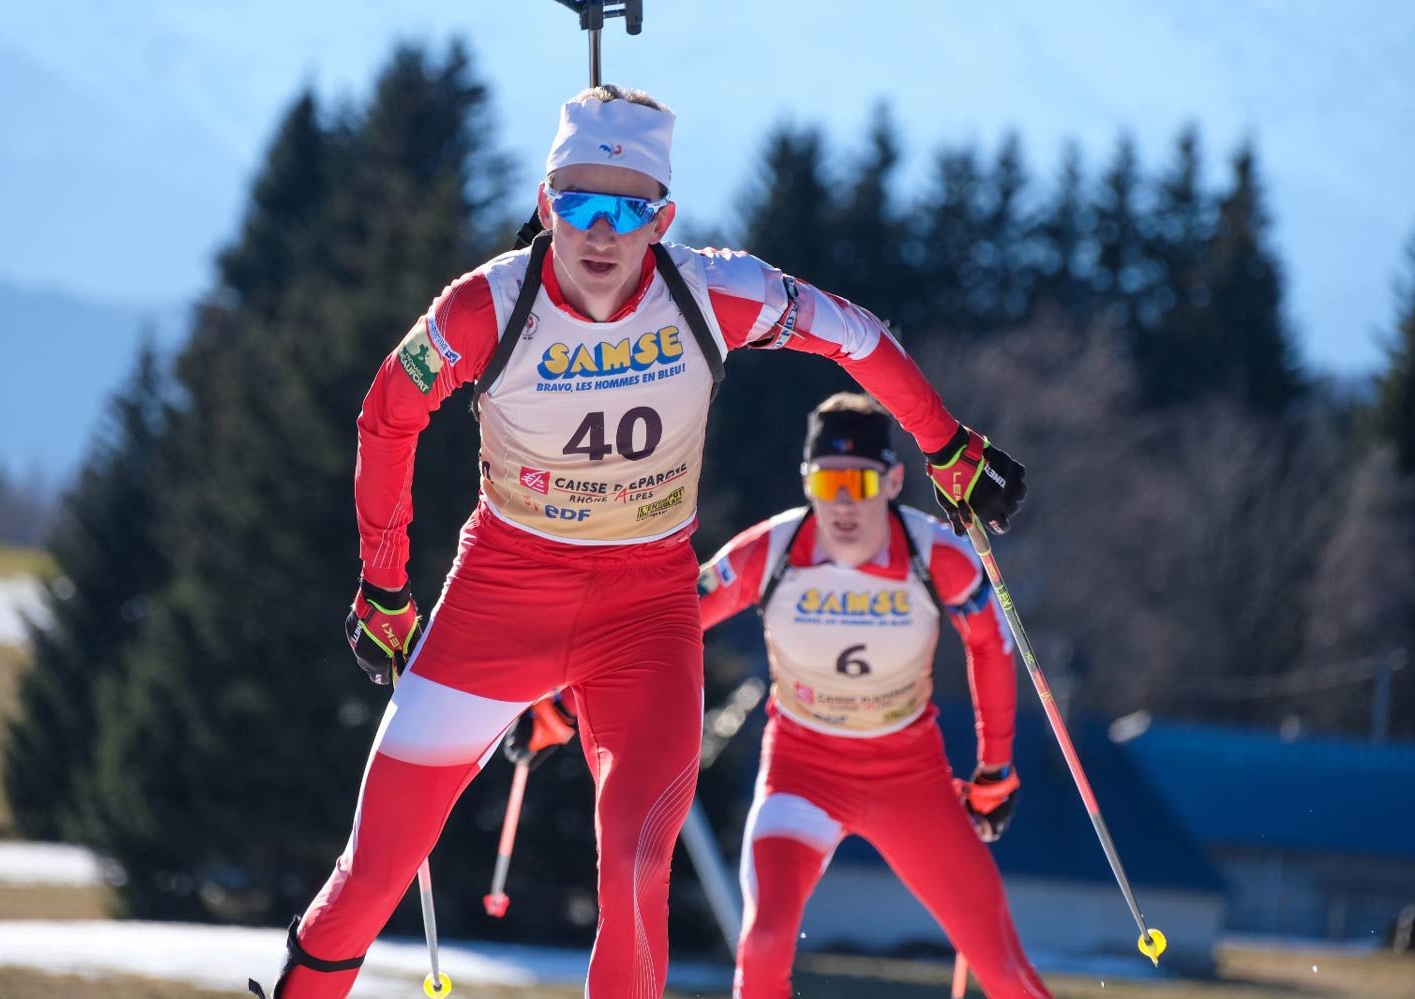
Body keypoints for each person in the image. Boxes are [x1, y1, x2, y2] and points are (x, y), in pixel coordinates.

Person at [257, 85, 1026, 999]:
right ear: (545, 205)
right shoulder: (486, 308)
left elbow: (853, 336)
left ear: (662, 218)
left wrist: (944, 441)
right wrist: (384, 589)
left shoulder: (710, 293)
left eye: (626, 209)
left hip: (644, 615)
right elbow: (388, 412)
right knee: (374, 870)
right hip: (498, 602)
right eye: (577, 202)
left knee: (635, 863)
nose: (599, 232)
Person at [695, 393, 1050, 999]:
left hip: (910, 781)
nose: (841, 503)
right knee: (762, 947)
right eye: (825, 481)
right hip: (801, 776)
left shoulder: (934, 551)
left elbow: (991, 646)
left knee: (1006, 971)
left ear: (891, 481)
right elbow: (668, 619)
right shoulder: (771, 551)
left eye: (857, 481)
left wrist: (995, 768)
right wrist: (569, 693)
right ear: (807, 482)